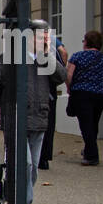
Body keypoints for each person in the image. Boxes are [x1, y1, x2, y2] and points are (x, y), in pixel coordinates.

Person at [0, 21, 64, 204]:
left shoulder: (45, 60)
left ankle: (23, 201)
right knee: (25, 163)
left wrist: (47, 55)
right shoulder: (11, 59)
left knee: (33, 167)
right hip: (16, 117)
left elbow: (61, 77)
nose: (44, 40)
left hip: (39, 116)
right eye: (41, 37)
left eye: (46, 37)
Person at [65, 30, 103, 166]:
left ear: (86, 42)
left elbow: (68, 75)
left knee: (85, 124)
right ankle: (88, 150)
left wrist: (69, 88)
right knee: (94, 122)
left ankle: (92, 156)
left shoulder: (77, 57)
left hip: (82, 92)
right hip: (100, 94)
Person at [38, 35, 67, 170]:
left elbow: (61, 74)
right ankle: (42, 157)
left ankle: (43, 157)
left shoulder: (50, 49)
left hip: (46, 92)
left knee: (47, 126)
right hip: (46, 92)